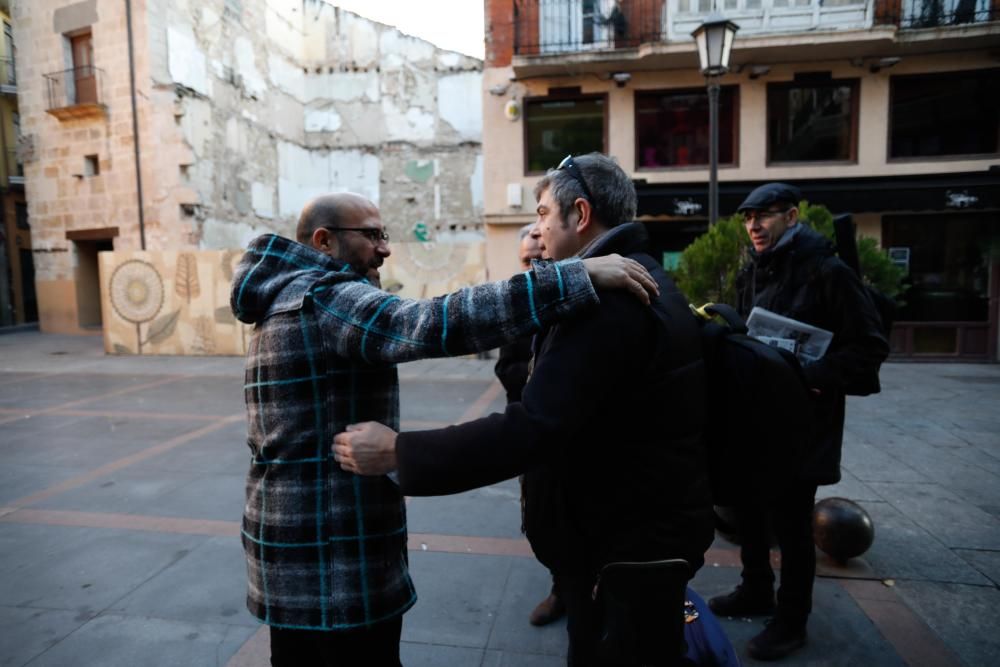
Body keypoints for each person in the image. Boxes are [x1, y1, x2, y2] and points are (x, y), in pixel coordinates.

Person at [229, 192, 659, 667]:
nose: (384, 248)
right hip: (333, 566)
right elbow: (429, 322)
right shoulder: (325, 297)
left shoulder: (285, 295)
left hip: (292, 556)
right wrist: (571, 277)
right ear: (324, 241)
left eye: (383, 234)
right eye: (371, 235)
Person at [333, 154, 715, 666]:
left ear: (579, 215)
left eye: (540, 214)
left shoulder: (610, 303)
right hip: (637, 534)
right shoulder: (633, 277)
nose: (536, 230)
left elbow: (535, 426)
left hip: (626, 548)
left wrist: (400, 451)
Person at [707, 183, 889, 661]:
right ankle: (755, 588)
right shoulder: (755, 269)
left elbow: (869, 347)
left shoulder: (829, 271)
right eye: (748, 220)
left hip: (804, 420)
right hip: (755, 413)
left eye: (764, 217)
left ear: (792, 216)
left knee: (790, 523)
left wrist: (809, 374)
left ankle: (791, 621)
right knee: (748, 508)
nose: (754, 227)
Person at [493, 223, 565, 627]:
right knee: (541, 515)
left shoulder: (575, 300)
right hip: (529, 430)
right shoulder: (516, 304)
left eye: (541, 258)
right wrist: (547, 374)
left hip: (571, 433)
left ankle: (576, 587)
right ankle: (561, 587)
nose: (535, 265)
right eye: (527, 260)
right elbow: (507, 368)